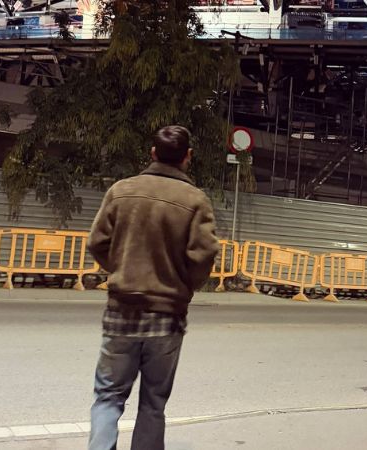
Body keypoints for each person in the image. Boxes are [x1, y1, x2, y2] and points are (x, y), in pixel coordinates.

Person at [86, 125, 220, 450]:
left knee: (107, 398)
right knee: (153, 404)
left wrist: (120, 268)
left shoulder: (121, 191)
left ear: (152, 152)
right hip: (167, 317)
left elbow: (97, 243)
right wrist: (183, 285)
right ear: (188, 157)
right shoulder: (195, 201)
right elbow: (204, 256)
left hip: (121, 311)